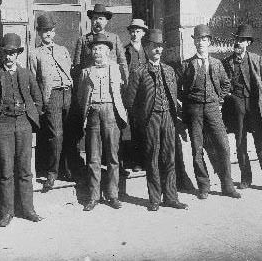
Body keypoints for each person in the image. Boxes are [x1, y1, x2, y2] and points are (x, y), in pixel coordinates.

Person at [0, 33, 44, 228]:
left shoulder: (26, 74)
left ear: (18, 54)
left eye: (13, 53)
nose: (9, 57)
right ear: (2, 53)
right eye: (6, 53)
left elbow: (38, 99)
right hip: (3, 125)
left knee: (25, 169)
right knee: (6, 170)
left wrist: (32, 117)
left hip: (23, 123)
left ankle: (28, 210)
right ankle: (7, 212)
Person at [124, 29, 188, 211]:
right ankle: (154, 199)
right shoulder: (139, 71)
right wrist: (142, 117)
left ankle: (171, 197)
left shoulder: (169, 70)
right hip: (151, 118)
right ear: (147, 48)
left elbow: (174, 94)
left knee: (169, 156)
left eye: (160, 46)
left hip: (168, 116)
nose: (158, 50)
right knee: (152, 157)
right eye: (154, 46)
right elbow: (130, 100)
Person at [178, 24, 241, 200]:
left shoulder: (217, 63)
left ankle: (227, 186)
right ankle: (204, 186)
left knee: (223, 146)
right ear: (194, 42)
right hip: (194, 110)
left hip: (213, 109)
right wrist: (189, 102)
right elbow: (179, 89)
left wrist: (218, 100)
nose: (200, 43)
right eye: (197, 39)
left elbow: (226, 84)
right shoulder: (186, 65)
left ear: (209, 42)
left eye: (204, 39)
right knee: (197, 149)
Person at [222, 24, 262, 195]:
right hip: (237, 106)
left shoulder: (256, 59)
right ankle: (245, 179)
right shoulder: (226, 62)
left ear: (248, 43)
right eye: (236, 40)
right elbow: (223, 84)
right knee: (240, 143)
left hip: (256, 105)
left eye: (242, 41)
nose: (238, 43)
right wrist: (229, 96)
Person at [75, 33, 128, 211]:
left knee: (113, 156)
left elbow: (123, 90)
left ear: (108, 51)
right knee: (93, 157)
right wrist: (88, 110)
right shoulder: (85, 72)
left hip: (111, 112)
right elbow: (81, 96)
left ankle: (113, 195)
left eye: (101, 49)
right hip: (93, 114)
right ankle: (93, 196)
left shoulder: (116, 68)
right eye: (95, 49)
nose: (97, 52)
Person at [29, 13, 75, 192]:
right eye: (44, 31)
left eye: (50, 30)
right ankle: (52, 172)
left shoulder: (63, 50)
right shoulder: (35, 53)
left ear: (54, 32)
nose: (48, 34)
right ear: (39, 33)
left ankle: (69, 169)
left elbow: (70, 71)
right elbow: (33, 80)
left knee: (70, 133)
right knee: (56, 135)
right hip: (51, 97)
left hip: (68, 94)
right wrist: (40, 102)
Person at [72, 3, 128, 84]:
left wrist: (126, 82)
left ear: (106, 21)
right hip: (90, 82)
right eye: (95, 18)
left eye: (101, 19)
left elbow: (122, 62)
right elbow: (77, 65)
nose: (97, 21)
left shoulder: (114, 38)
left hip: (111, 81)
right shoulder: (83, 40)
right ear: (91, 20)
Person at [123, 18, 149, 173]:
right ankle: (137, 161)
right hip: (132, 94)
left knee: (147, 126)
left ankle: (148, 160)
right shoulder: (126, 51)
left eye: (138, 31)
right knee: (135, 127)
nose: (134, 34)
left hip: (146, 94)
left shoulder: (147, 51)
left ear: (143, 33)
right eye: (132, 31)